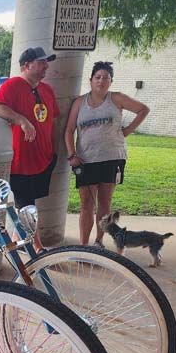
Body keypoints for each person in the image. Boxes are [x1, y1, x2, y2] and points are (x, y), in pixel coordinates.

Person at [64, 61, 150, 247]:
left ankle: (98, 241)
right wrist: (72, 155)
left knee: (105, 202)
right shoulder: (80, 102)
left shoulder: (116, 98)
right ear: (91, 80)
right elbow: (69, 130)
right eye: (98, 77)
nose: (101, 81)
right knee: (86, 203)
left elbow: (143, 109)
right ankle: (83, 245)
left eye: (106, 78)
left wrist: (127, 131)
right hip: (86, 160)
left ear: (111, 81)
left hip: (112, 158)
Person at [0, 47, 60, 252]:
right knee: (28, 205)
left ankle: (17, 238)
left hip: (43, 158)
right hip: (21, 161)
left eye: (46, 62)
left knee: (28, 203)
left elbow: (53, 119)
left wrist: (54, 150)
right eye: (41, 62)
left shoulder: (47, 89)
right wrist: (21, 120)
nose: (46, 66)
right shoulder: (12, 85)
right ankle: (37, 247)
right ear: (27, 65)